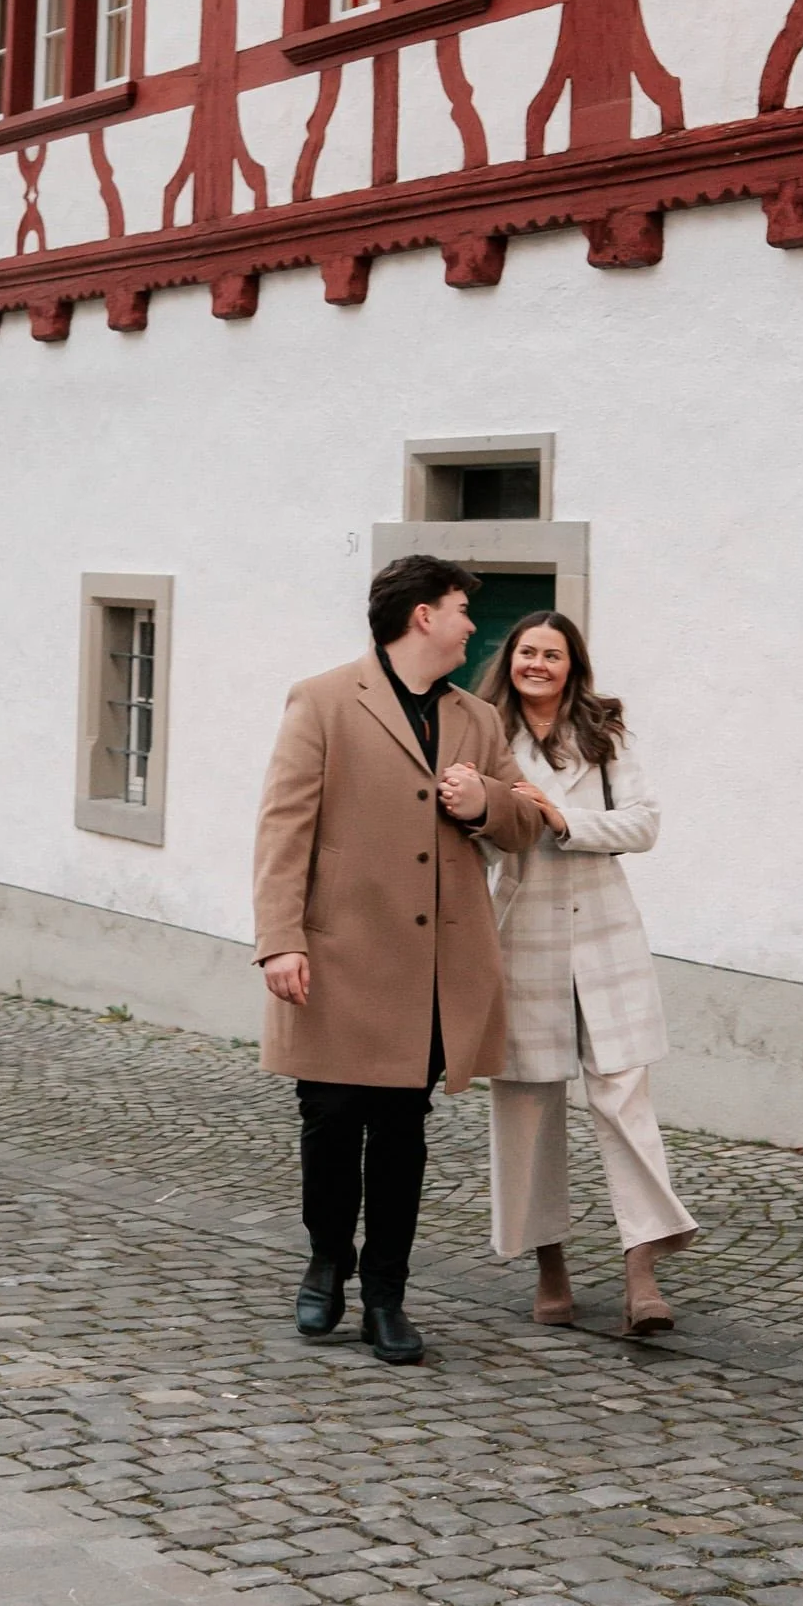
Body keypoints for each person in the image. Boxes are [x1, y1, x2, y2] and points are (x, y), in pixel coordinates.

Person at [253, 556, 544, 1364]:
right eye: (459, 609)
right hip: (339, 957)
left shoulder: (476, 719)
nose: (470, 626)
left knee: (401, 1131)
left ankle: (387, 1293)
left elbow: (526, 819)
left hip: (433, 969)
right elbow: (283, 830)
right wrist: (280, 938)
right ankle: (324, 1267)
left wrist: (484, 802)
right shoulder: (321, 700)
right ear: (421, 615)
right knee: (330, 1120)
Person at [478, 611, 696, 1335]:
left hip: (605, 937)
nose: (537, 663)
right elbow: (467, 836)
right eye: (527, 652)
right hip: (520, 939)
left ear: (574, 666)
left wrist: (563, 821)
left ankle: (641, 1272)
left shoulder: (603, 731)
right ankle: (551, 1269)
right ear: (509, 660)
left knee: (624, 1098)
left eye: (553, 654)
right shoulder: (482, 733)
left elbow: (644, 824)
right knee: (528, 1104)